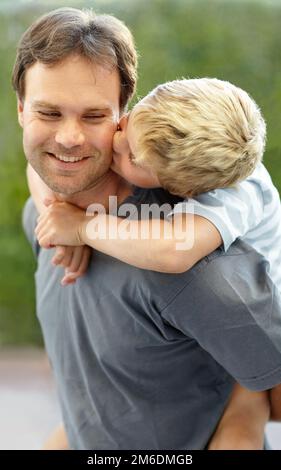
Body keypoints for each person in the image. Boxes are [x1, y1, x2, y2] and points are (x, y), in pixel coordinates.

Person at [13, 7, 281, 450]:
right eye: (49, 112)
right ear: (21, 110)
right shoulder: (44, 218)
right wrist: (61, 215)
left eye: (95, 117)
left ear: (122, 112)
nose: (69, 138)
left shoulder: (198, 266)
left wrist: (244, 412)